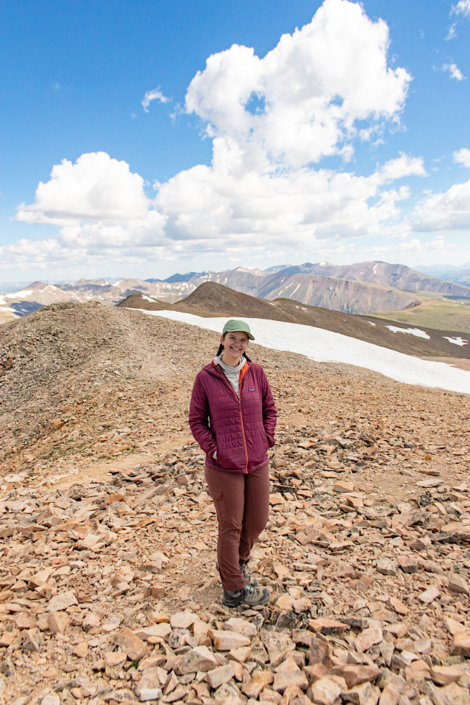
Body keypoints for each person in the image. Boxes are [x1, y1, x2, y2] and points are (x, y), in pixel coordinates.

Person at [189, 319, 277, 607]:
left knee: (258, 521)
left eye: (243, 340)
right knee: (231, 526)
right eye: (233, 338)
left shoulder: (256, 373)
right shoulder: (206, 377)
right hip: (223, 465)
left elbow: (270, 410)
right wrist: (214, 450)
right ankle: (234, 591)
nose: (238, 344)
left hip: (257, 461)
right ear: (223, 339)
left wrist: (266, 439)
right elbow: (197, 421)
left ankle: (234, 564)